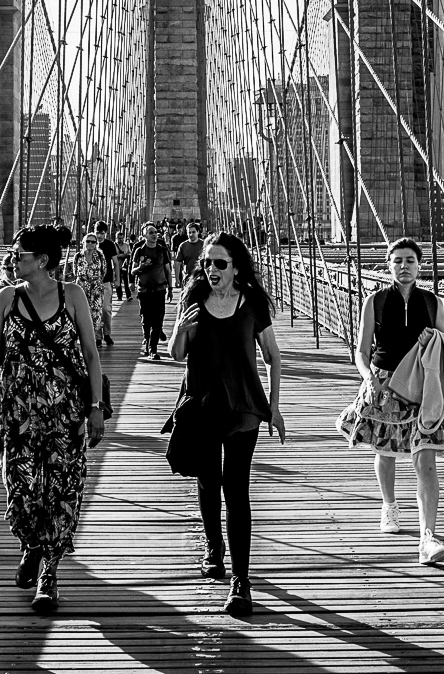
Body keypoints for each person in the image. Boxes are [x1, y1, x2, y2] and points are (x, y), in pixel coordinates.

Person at [168, 232, 286, 616]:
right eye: (207, 263)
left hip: (243, 408)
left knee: (236, 490)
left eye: (220, 263)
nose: (211, 269)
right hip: (202, 405)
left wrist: (275, 407)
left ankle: (241, 581)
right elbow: (175, 353)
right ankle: (213, 548)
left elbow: (272, 356)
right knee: (208, 481)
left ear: (236, 266)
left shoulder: (251, 303)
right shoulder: (193, 299)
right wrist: (180, 329)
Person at [0, 224, 106, 614]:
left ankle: (49, 574)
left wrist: (94, 408)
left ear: (42, 260)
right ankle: (31, 544)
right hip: (16, 409)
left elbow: (90, 354)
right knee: (19, 487)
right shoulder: (4, 297)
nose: (11, 259)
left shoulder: (71, 295)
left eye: (19, 254)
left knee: (61, 487)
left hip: (64, 409)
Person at [338, 237, 444, 565]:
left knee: (425, 460)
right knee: (386, 452)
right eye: (398, 261)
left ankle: (427, 539)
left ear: (419, 266)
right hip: (384, 384)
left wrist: (432, 337)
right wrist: (367, 377)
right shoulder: (374, 301)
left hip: (422, 386)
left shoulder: (433, 303)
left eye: (410, 261)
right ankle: (389, 505)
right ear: (388, 265)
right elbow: (361, 351)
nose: (404, 266)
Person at [130, 221, 172, 358]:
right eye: (151, 233)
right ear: (144, 236)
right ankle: (147, 341)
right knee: (146, 319)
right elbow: (132, 271)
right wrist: (141, 267)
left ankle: (153, 349)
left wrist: (170, 288)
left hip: (160, 290)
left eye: (155, 232)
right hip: (144, 290)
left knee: (158, 319)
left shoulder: (162, 250)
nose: (154, 234)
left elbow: (167, 269)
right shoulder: (139, 251)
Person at [73, 231, 111, 349]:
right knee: (82, 313)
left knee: (97, 313)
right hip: (82, 288)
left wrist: (95, 281)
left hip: (96, 288)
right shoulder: (78, 256)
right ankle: (83, 338)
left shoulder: (100, 256)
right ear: (84, 242)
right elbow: (75, 272)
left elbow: (104, 271)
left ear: (96, 244)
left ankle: (97, 338)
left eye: (93, 242)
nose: (90, 244)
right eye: (88, 241)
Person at [175, 221, 205, 286]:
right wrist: (177, 279)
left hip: (202, 279)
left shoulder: (204, 245)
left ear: (198, 232)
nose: (191, 234)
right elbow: (177, 263)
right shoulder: (183, 246)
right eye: (189, 232)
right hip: (188, 279)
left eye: (193, 232)